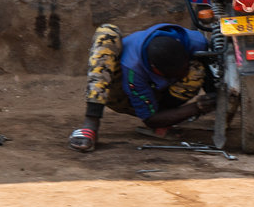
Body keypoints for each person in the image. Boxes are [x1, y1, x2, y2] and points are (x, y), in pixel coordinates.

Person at [69, 22, 212, 152]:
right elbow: (150, 119)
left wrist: (216, 97)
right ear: (155, 69)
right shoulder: (133, 70)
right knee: (107, 32)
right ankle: (90, 123)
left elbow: (210, 68)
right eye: (174, 74)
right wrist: (197, 107)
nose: (182, 74)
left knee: (196, 70)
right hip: (120, 93)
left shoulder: (194, 41)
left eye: (183, 68)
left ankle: (167, 116)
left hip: (159, 92)